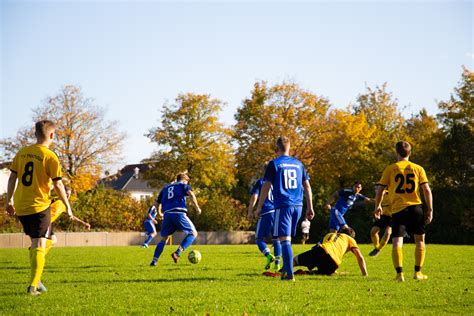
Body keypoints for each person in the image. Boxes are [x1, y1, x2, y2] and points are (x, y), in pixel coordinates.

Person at [5, 120, 73, 295]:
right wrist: (67, 206)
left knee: (49, 240)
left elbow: (12, 178)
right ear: (52, 135)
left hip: (21, 205)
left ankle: (38, 277)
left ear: (35, 134)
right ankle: (33, 286)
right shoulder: (50, 156)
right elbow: (58, 186)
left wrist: (8, 201)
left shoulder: (22, 153)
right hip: (39, 206)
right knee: (39, 242)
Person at [255, 136, 314, 281]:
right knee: (286, 239)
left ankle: (289, 274)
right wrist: (310, 207)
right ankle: (286, 271)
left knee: (284, 240)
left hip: (283, 205)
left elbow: (266, 186)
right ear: (290, 148)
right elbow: (307, 186)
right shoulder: (299, 164)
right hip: (298, 206)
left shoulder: (274, 164)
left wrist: (259, 206)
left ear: (277, 148)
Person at [375, 141, 433, 282]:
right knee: (420, 241)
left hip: (398, 210)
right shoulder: (418, 168)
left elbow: (381, 190)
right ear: (410, 152)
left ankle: (399, 274)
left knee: (397, 242)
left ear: (396, 152)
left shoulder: (390, 169)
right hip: (416, 208)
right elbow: (426, 189)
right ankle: (417, 273)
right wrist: (430, 209)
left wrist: (377, 205)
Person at [150, 173, 202, 266]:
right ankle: (177, 253)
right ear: (185, 180)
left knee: (164, 239)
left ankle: (154, 260)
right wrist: (197, 207)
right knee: (193, 233)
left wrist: (159, 213)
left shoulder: (165, 188)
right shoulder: (183, 185)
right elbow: (191, 194)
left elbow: (156, 202)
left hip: (167, 215)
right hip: (178, 213)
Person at [247, 164, 281, 271]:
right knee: (276, 240)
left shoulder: (261, 182)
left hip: (266, 212)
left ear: (264, 170)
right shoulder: (279, 182)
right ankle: (277, 264)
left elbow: (254, 196)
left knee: (259, 239)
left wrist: (250, 211)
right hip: (278, 212)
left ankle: (268, 255)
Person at [292, 230, 368, 276]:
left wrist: (309, 258)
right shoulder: (350, 239)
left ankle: (282, 272)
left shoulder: (330, 234)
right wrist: (365, 274)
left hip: (322, 250)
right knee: (320, 273)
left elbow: (315, 247)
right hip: (334, 263)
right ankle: (305, 273)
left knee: (295, 260)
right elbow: (359, 256)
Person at [369, 185, 391, 257]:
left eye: (377, 188)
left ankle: (379, 249)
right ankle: (376, 248)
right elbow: (376, 202)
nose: (376, 190)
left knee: (387, 233)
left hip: (393, 216)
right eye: (375, 188)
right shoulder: (379, 196)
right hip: (383, 216)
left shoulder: (389, 193)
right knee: (373, 232)